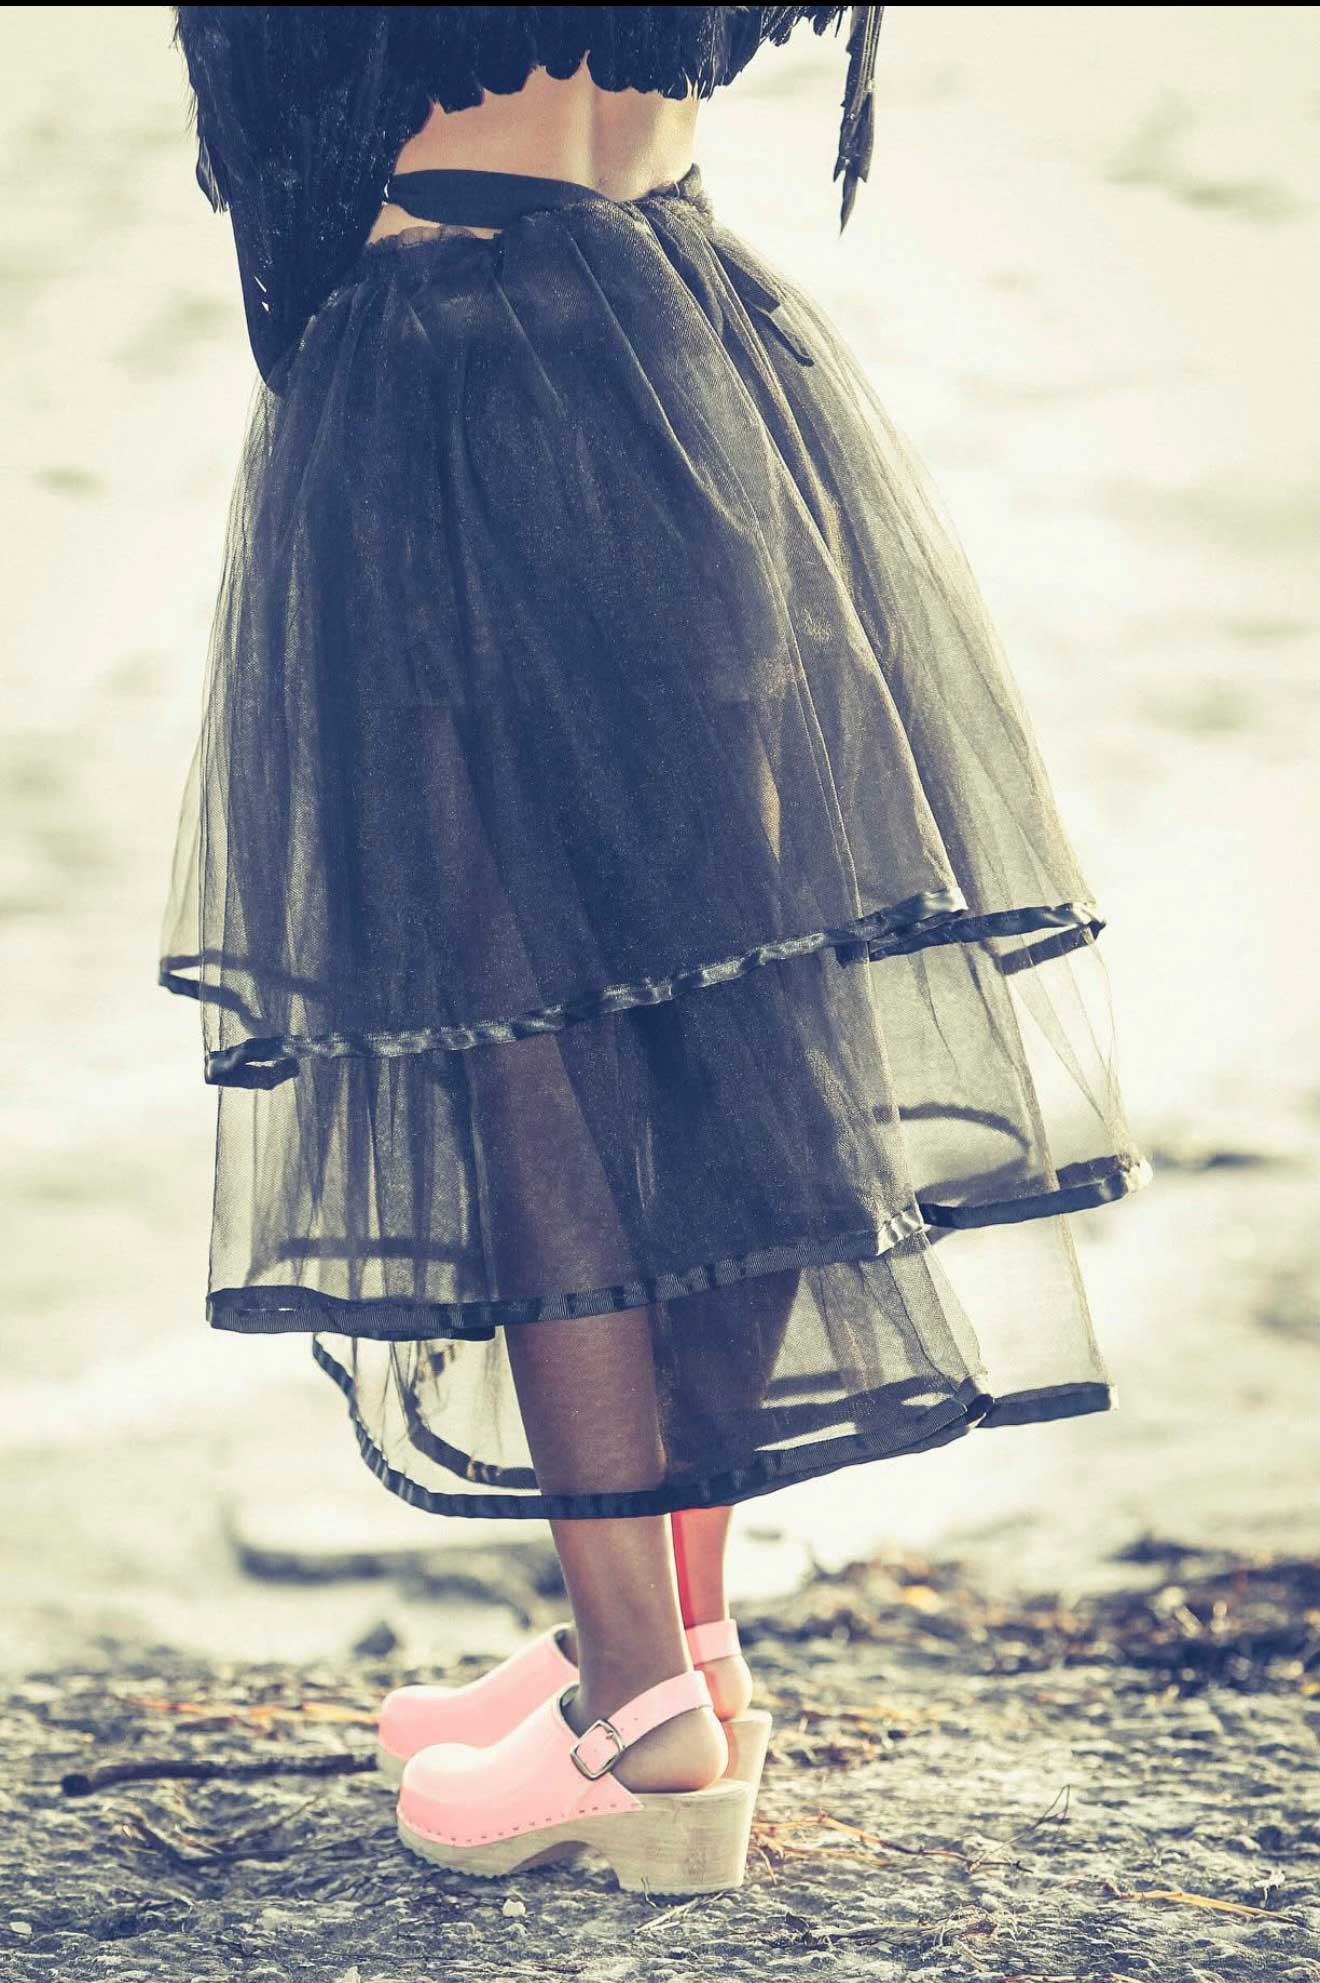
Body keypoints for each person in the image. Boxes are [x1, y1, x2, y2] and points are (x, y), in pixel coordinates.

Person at [160, 5, 1152, 1895]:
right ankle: (682, 1648)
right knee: (720, 1011)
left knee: (531, 1044)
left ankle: (636, 1720)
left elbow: (294, 157)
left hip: (455, 375)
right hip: (686, 334)